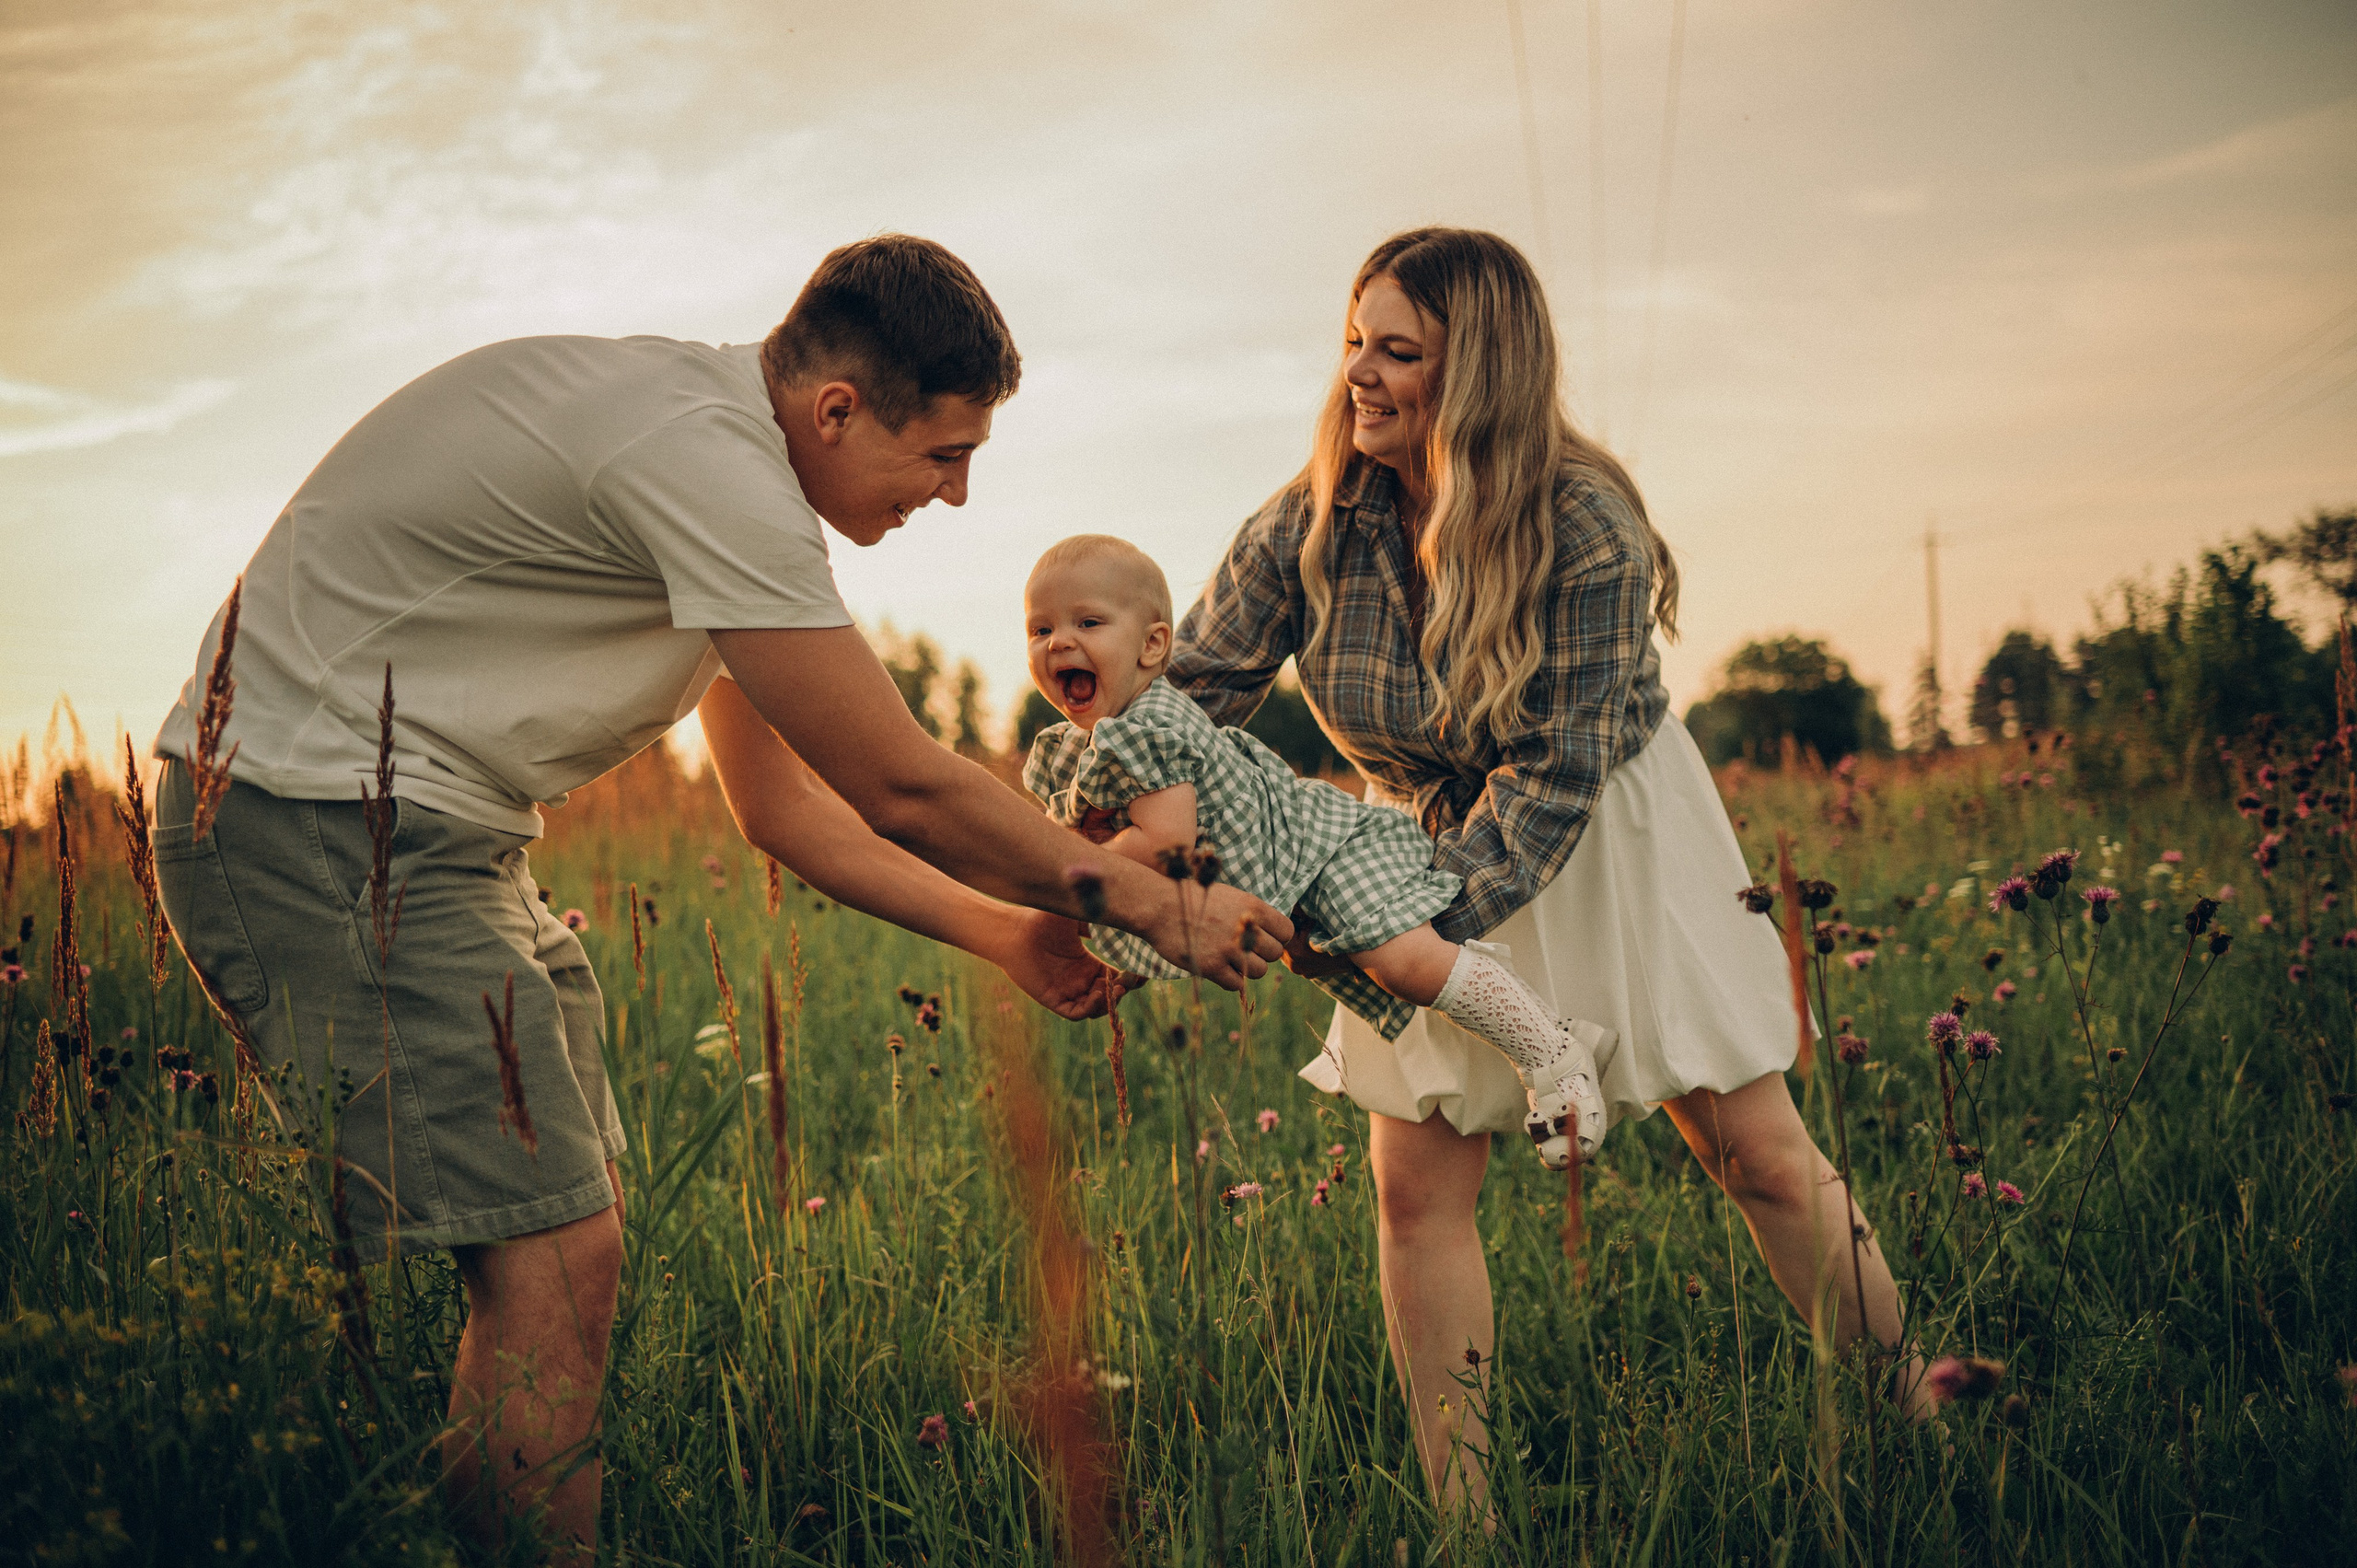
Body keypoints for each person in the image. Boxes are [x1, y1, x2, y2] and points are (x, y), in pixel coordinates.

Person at [151, 235, 1291, 1563]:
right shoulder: (704, 465)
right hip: (320, 821)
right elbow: (899, 783)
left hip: (429, 835)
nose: (962, 494)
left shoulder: (715, 472)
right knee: (550, 1256)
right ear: (836, 410)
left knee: (569, 1248)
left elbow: (784, 808)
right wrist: (1150, 902)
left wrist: (1014, 933)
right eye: (945, 454)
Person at [1166, 227, 1924, 1513]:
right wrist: (1134, 834)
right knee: (1413, 1187)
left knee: (1757, 1151)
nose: (1360, 374)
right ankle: (1464, 1519)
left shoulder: (1586, 523)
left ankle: (1919, 1420)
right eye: (1354, 341)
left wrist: (1401, 924)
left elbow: (1553, 777)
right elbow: (1191, 695)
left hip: (1606, 836)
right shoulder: (1311, 515)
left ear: (1480, 372)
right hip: (1405, 840)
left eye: (1397, 350)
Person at [1019, 532, 1609, 1166]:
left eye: (1088, 622)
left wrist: (1066, 862)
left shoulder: (1151, 729)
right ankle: (1544, 1041)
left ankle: (1552, 1050)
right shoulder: (1093, 741)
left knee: (1407, 960)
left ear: (1153, 644)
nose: (1058, 642)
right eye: (1039, 628)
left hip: (1328, 850)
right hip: (1289, 865)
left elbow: (1163, 845)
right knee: (1391, 967)